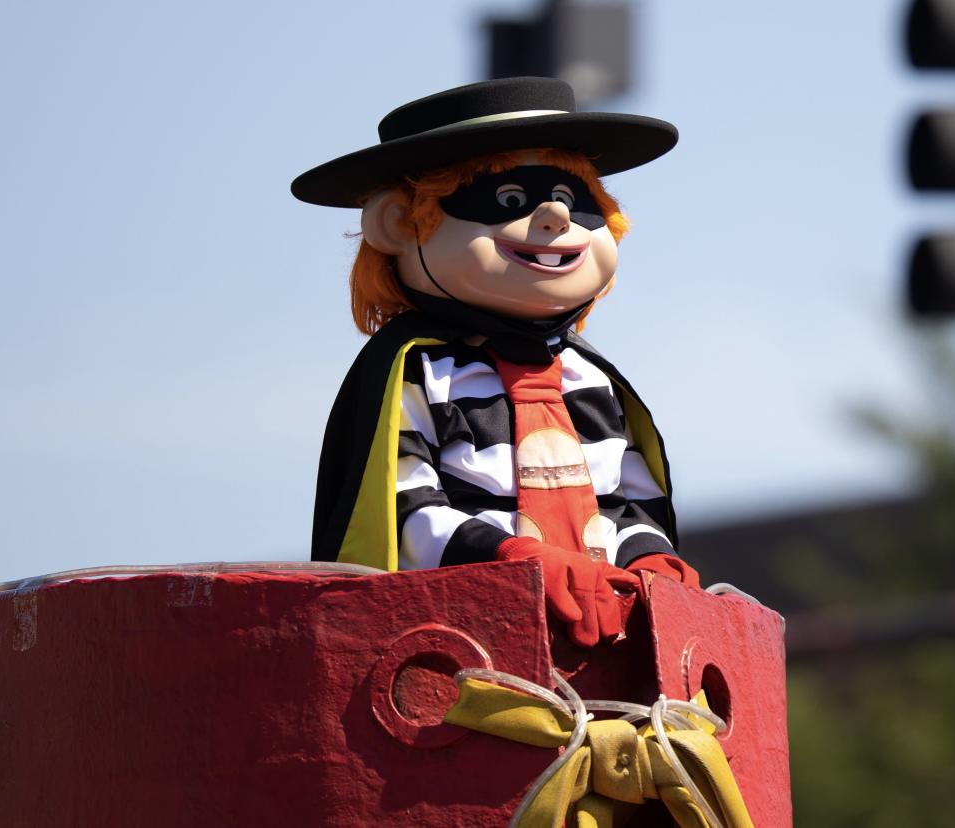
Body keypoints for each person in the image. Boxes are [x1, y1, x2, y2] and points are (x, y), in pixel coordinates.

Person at [292, 77, 698, 648]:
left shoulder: (592, 380)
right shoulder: (419, 374)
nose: (556, 215)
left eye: (573, 196)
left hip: (610, 636)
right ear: (396, 224)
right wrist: (514, 558)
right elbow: (406, 510)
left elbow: (629, 499)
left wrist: (650, 557)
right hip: (468, 637)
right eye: (509, 199)